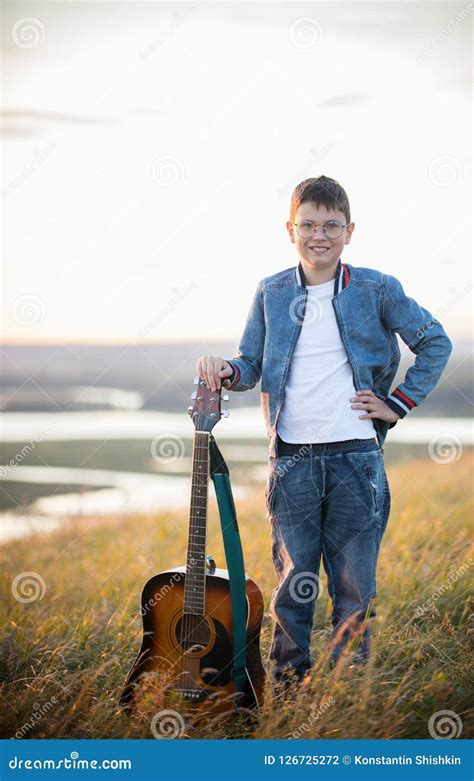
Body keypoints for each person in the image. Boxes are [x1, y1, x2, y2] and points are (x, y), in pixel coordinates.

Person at [196, 175, 453, 691]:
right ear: (290, 229)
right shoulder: (271, 291)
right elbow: (251, 364)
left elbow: (435, 343)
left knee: (354, 586)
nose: (320, 235)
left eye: (331, 225)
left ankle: (345, 692)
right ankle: (290, 687)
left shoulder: (376, 288)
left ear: (349, 231)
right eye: (308, 224)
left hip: (357, 458)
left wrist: (397, 403)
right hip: (291, 460)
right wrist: (225, 367)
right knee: (294, 584)